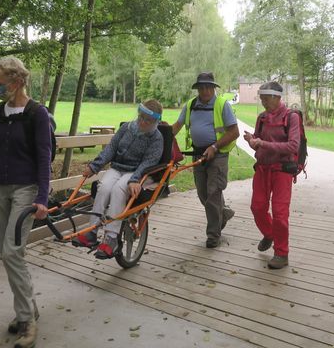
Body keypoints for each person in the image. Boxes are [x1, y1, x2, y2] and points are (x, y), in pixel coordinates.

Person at [0, 56, 51, 348]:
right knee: (7, 254)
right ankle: (29, 307)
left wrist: (43, 197)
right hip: (0, 189)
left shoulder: (36, 114)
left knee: (12, 251)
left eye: (0, 83)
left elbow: (44, 157)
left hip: (26, 190)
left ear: (16, 82)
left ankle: (27, 321)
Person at [73, 100, 164, 259]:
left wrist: (135, 179)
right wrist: (95, 166)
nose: (142, 122)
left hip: (136, 171)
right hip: (117, 167)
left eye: (148, 120)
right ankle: (91, 232)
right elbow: (111, 149)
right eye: (141, 117)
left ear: (155, 122)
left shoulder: (156, 138)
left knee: (119, 189)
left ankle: (111, 237)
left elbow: (149, 162)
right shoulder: (126, 128)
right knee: (104, 187)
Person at [172, 72, 239, 248]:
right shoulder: (191, 105)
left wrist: (215, 147)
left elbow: (234, 132)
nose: (205, 90)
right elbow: (177, 126)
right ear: (198, 89)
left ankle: (213, 235)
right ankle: (222, 214)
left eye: (208, 87)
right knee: (203, 194)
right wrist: (161, 137)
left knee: (213, 193)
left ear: (213, 88)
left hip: (218, 155)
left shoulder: (222, 104)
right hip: (198, 154)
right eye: (202, 87)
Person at [243, 81, 300, 269]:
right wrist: (252, 140)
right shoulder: (262, 117)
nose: (263, 102)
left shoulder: (291, 117)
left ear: (277, 97)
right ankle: (269, 234)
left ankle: (282, 254)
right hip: (262, 168)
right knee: (257, 207)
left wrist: (263, 144)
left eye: (266, 99)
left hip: (282, 170)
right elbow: (258, 142)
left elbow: (293, 145)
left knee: (280, 213)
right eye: (262, 99)